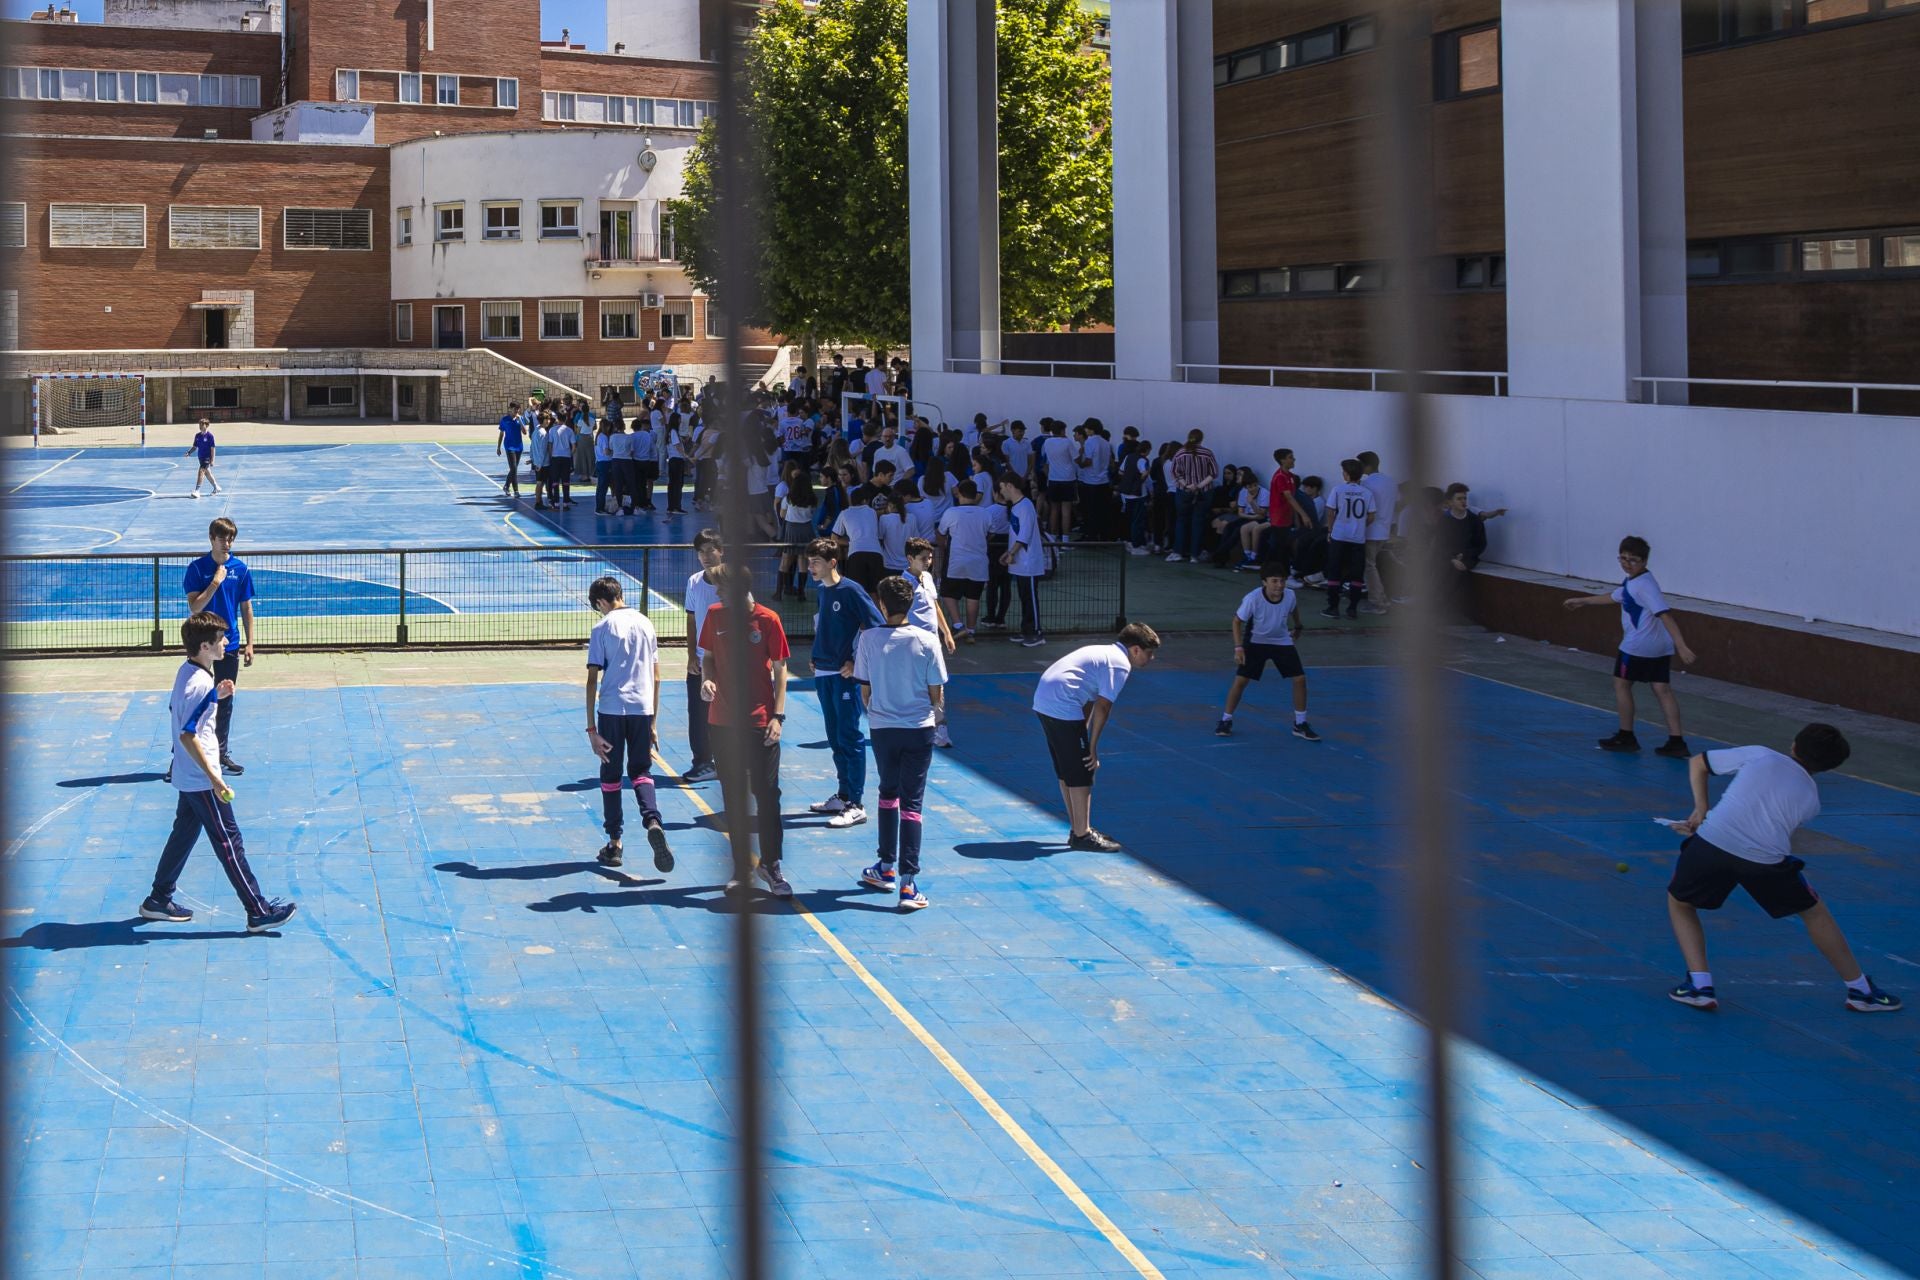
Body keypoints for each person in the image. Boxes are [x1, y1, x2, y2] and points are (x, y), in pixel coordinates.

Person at [1663, 724, 1899, 1014]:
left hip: (1711, 842)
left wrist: (1701, 811)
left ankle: (1700, 986)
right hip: (1763, 859)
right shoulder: (1812, 800)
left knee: (1681, 903)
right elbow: (1765, 829)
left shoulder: (1760, 755)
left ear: (1793, 746)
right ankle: (1861, 991)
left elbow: (1698, 763)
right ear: (1828, 767)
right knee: (1814, 912)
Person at [139, 610, 295, 933]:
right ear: (206, 646)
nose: (226, 642)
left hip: (188, 774)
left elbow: (183, 711)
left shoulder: (190, 673)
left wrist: (216, 695)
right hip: (202, 779)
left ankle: (158, 898)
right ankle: (257, 910)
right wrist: (214, 777)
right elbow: (187, 733)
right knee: (229, 842)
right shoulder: (198, 683)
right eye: (220, 639)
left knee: (183, 834)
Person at [697, 564, 792, 897]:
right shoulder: (715, 615)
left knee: (767, 797)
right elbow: (707, 657)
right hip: (722, 722)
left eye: (723, 589)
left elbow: (781, 672)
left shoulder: (768, 620)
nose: (718, 594)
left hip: (760, 723)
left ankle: (771, 864)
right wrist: (708, 679)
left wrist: (778, 716)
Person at [853, 574, 947, 910]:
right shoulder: (926, 640)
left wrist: (880, 711)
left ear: (881, 604)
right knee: (913, 803)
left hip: (883, 729)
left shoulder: (869, 640)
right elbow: (937, 692)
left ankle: (886, 867)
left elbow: (864, 689)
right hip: (919, 730)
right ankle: (908, 884)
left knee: (887, 794)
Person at [1562, 535, 1696, 756]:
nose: (1626, 563)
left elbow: (1666, 616)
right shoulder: (1636, 581)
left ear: (1644, 561)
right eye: (1622, 558)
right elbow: (1615, 597)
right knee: (1662, 689)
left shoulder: (1643, 586)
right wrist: (1583, 600)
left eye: (1632, 560)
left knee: (1622, 684)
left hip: (1637, 647)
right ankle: (1677, 742)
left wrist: (1682, 645)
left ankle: (1626, 736)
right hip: (1660, 647)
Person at [1031, 624, 1161, 852]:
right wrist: (1091, 748)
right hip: (1061, 703)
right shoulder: (1120, 664)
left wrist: (1083, 735)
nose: (1152, 658)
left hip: (1045, 700)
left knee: (1067, 768)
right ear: (1136, 650)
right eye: (1149, 653)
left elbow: (1090, 700)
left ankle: (1078, 829)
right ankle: (1082, 834)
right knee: (1083, 769)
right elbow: (1103, 706)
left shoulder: (1105, 653)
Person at [585, 576, 673, 873]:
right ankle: (652, 820)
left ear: (600, 602)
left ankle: (614, 843)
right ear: (621, 594)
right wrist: (653, 722)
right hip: (642, 708)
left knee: (611, 776)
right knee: (641, 771)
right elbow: (657, 676)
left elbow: (591, 678)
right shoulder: (646, 624)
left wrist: (591, 730)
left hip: (611, 710)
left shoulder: (602, 628)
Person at [806, 538, 885, 828]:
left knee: (850, 737)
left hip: (843, 677)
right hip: (823, 672)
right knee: (834, 736)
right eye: (809, 561)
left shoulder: (851, 590)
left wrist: (856, 661)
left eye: (816, 562)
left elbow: (875, 627)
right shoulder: (822, 592)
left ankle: (856, 803)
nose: (811, 567)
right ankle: (843, 794)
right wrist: (817, 653)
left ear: (832, 563)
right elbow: (824, 626)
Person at [182, 517, 255, 777]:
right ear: (212, 539)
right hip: (201, 646)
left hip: (229, 644)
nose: (228, 543)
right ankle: (180, 758)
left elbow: (246, 607)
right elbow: (195, 607)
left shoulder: (241, 569)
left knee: (224, 700)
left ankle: (221, 753)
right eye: (223, 538)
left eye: (231, 538)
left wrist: (249, 643)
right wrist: (215, 581)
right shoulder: (197, 569)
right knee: (194, 700)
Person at [1216, 567, 1319, 742]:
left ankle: (1300, 723)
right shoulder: (1252, 598)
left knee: (1300, 679)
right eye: (1274, 581)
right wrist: (1239, 647)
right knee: (1241, 681)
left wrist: (1298, 625)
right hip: (1256, 642)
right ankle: (1225, 720)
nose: (1279, 585)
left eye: (1282, 581)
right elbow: (1237, 621)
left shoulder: (1290, 595)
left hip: (1282, 641)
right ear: (1264, 582)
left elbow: (1293, 609)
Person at [904, 537, 958, 747]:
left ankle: (940, 728)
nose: (928, 561)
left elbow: (934, 607)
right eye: (923, 558)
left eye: (930, 557)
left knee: (938, 685)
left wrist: (946, 633)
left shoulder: (927, 577)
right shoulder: (903, 584)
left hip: (933, 644)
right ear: (910, 558)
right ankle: (915, 726)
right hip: (913, 645)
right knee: (915, 687)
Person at [681, 529, 725, 783]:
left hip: (725, 662)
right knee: (697, 713)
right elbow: (690, 619)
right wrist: (690, 656)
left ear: (721, 551)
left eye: (710, 550)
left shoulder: (734, 583)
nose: (706, 556)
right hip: (699, 660)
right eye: (701, 552)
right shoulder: (694, 581)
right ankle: (702, 763)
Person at [1434, 483, 1506, 615]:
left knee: (1457, 571)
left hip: (1468, 557)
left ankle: (1444, 609)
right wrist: (1451, 558)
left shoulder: (1474, 520)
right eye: (1459, 499)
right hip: (1447, 557)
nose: (1463, 501)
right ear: (1450, 502)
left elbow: (1480, 544)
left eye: (1464, 498)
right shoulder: (1444, 520)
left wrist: (1464, 555)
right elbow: (1439, 544)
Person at [937, 479, 994, 642]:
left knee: (947, 593)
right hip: (979, 561)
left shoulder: (951, 512)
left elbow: (941, 533)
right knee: (973, 597)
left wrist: (943, 547)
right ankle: (971, 631)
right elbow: (991, 533)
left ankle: (957, 625)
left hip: (956, 560)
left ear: (959, 494)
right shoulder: (985, 513)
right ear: (976, 494)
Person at [1321, 459, 1375, 621]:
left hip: (1339, 536)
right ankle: (1352, 609)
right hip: (1358, 538)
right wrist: (1358, 525)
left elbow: (1331, 512)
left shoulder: (1338, 490)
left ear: (1346, 474)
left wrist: (1330, 530)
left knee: (1334, 571)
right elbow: (1371, 516)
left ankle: (1333, 607)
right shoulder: (1367, 493)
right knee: (1356, 575)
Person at [998, 473, 1047, 648]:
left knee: (1030, 597)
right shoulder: (1017, 507)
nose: (1001, 492)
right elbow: (1018, 534)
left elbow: (1025, 534)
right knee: (1024, 596)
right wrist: (1009, 552)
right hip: (1019, 562)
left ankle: (1036, 632)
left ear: (1010, 486)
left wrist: (1011, 553)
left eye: (1002, 487)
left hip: (1028, 562)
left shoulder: (1025, 506)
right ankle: (1027, 629)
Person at [1167, 430, 1219, 563]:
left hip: (1184, 491)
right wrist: (1199, 485)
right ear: (1201, 439)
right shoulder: (1207, 453)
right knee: (1198, 521)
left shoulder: (1180, 453)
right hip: (1204, 491)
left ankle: (1178, 551)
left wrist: (1187, 485)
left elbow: (1174, 473)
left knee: (1181, 520)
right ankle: (1195, 554)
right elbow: (1214, 473)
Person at [1356, 451, 1397, 615]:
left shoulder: (1366, 485)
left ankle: (1377, 602)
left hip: (1370, 530)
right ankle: (1382, 598)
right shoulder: (1390, 481)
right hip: (1384, 529)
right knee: (1373, 565)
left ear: (1367, 466)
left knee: (1369, 566)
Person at [1264, 448, 1310, 584]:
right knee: (1281, 548)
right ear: (1282, 460)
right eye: (1290, 457)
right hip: (1278, 518)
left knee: (1279, 547)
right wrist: (1304, 515)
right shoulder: (1280, 477)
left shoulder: (1290, 476)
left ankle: (1268, 572)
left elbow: (1291, 500)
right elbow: (1289, 498)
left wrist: (1295, 518)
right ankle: (1284, 577)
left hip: (1286, 517)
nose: (1293, 459)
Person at [831, 483, 886, 594]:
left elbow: (834, 538)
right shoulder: (872, 512)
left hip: (855, 554)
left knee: (857, 591)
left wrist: (850, 542)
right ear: (866, 501)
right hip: (876, 554)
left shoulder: (844, 513)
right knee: (876, 592)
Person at [1039, 422, 1078, 541]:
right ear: (1062, 430)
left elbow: (1044, 458)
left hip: (1053, 478)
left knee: (1054, 509)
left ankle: (1053, 537)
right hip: (1068, 479)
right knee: (1066, 510)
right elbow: (1076, 459)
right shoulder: (1067, 442)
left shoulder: (1047, 442)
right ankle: (1065, 540)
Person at [497, 400, 525, 497]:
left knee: (514, 468)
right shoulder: (505, 420)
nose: (516, 411)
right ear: (510, 409)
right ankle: (516, 490)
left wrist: (520, 420)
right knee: (513, 468)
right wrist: (498, 447)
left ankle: (506, 485)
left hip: (519, 447)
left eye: (517, 409)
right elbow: (501, 434)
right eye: (514, 409)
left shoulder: (520, 419)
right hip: (509, 447)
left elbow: (525, 432)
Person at [527, 412, 554, 510]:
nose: (548, 421)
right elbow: (543, 450)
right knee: (540, 483)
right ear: (542, 420)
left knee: (540, 482)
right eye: (547, 419)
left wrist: (532, 458)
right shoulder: (544, 433)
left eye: (549, 419)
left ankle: (539, 501)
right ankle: (538, 502)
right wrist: (539, 463)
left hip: (537, 461)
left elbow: (532, 446)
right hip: (543, 463)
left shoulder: (535, 431)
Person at [187, 418, 221, 497]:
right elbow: (195, 447)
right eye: (200, 425)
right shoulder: (197, 436)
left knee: (201, 471)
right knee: (207, 474)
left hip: (207, 458)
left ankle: (197, 491)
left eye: (202, 425)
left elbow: (213, 449)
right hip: (200, 457)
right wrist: (189, 452)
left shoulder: (210, 436)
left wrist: (212, 460)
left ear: (207, 426)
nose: (200, 426)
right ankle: (216, 487)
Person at [550, 412, 577, 507]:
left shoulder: (552, 430)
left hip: (555, 457)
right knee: (566, 480)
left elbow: (550, 444)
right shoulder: (569, 430)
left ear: (558, 419)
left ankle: (556, 501)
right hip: (566, 457)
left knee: (555, 480)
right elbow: (574, 446)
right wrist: (570, 454)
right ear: (565, 419)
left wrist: (551, 455)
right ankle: (566, 501)